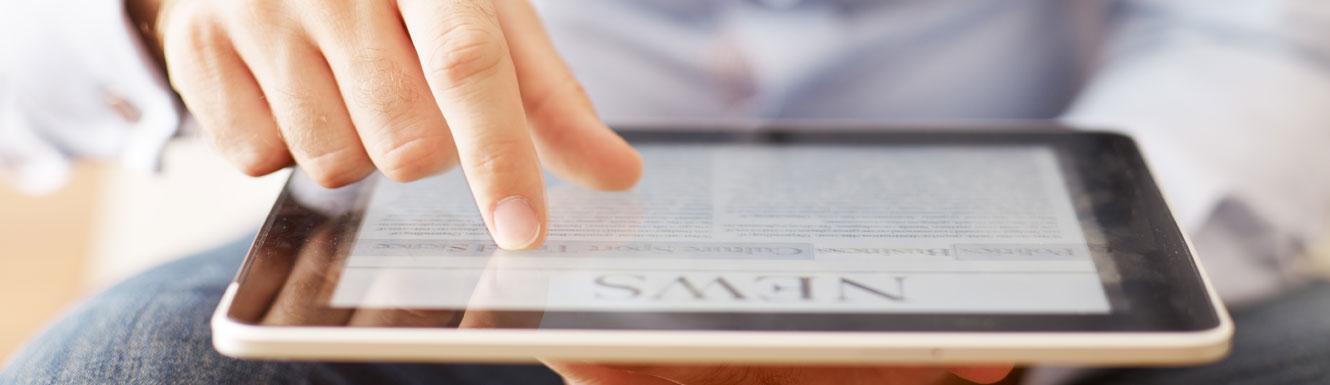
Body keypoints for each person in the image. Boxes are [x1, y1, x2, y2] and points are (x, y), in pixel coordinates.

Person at [2, 0, 1329, 384]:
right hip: (458, 268)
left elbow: (1250, 32)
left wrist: (1075, 284)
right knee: (125, 372)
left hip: (1042, 273)